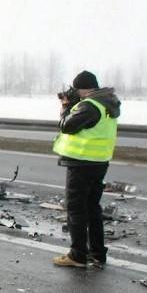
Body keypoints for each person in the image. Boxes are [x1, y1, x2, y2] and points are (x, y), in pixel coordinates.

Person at [52, 70, 121, 268]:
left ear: (81, 88)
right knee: (92, 208)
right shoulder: (107, 102)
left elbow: (66, 126)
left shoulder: (89, 106)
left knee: (76, 209)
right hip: (99, 161)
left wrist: (66, 107)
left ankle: (77, 255)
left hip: (82, 162)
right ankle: (98, 253)